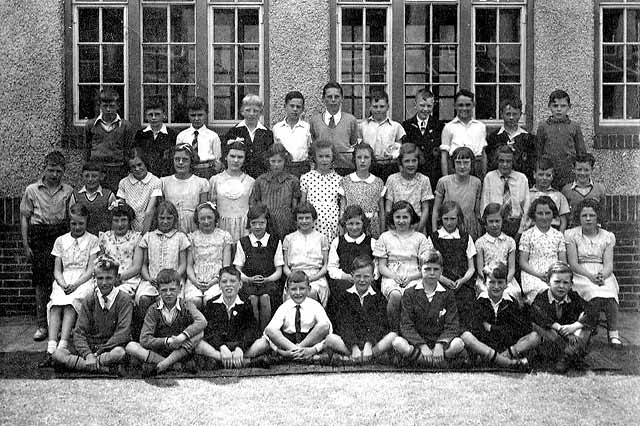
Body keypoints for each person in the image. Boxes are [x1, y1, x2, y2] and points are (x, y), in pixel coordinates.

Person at [20, 151, 74, 341]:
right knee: (41, 284)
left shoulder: (68, 190)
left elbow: (71, 218)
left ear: (63, 172)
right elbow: (25, 218)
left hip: (60, 234)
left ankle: (58, 327)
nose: (54, 175)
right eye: (51, 170)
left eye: (59, 171)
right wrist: (26, 245)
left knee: (60, 280)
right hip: (39, 235)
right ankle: (42, 326)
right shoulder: (32, 190)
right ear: (44, 167)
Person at [41, 204, 99, 368]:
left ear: (86, 222)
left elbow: (91, 269)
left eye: (81, 223)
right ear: (69, 223)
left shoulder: (92, 240)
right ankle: (51, 348)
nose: (77, 227)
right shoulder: (61, 240)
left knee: (70, 304)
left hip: (83, 280)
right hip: (64, 280)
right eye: (74, 223)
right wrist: (62, 283)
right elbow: (57, 270)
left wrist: (75, 284)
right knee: (55, 305)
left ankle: (62, 346)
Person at [52, 255, 133, 374]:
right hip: (91, 346)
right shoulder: (90, 299)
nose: (104, 283)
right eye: (100, 278)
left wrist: (98, 353)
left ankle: (82, 365)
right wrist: (88, 354)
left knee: (119, 353)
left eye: (109, 278)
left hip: (110, 347)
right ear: (94, 278)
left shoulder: (124, 299)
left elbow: (123, 333)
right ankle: (105, 369)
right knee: (57, 354)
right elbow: (79, 332)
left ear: (116, 278)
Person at [126, 268, 206, 376]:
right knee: (131, 346)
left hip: (180, 350)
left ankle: (163, 365)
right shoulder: (153, 309)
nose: (168, 294)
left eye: (172, 289)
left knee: (199, 333)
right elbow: (144, 339)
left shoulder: (186, 305)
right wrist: (167, 341)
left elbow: (202, 321)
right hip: (161, 350)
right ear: (158, 290)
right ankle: (174, 365)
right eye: (164, 290)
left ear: (180, 288)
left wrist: (180, 338)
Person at [392, 250, 465, 367]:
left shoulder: (448, 294)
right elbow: (406, 325)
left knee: (458, 344)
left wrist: (440, 344)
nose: (432, 273)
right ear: (420, 269)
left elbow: (452, 324)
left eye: (436, 269)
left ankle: (424, 360)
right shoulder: (410, 293)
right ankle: (436, 362)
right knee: (398, 343)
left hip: (440, 343)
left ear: (441, 270)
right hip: (418, 343)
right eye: (427, 269)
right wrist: (422, 346)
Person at [565, 199, 622, 347]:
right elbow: (573, 263)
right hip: (581, 273)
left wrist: (603, 274)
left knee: (610, 293)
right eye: (584, 215)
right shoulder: (571, 235)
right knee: (593, 293)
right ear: (579, 217)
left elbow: (609, 263)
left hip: (602, 272)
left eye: (592, 215)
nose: (588, 219)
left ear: (598, 217)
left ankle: (613, 334)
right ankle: (588, 329)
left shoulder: (607, 236)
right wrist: (590, 276)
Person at [460, 262, 536, 370]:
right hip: (484, 348)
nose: (496, 287)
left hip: (506, 348)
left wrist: (491, 328)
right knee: (466, 336)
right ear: (485, 283)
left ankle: (500, 359)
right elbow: (476, 329)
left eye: (500, 282)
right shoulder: (478, 303)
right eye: (492, 282)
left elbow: (516, 330)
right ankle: (508, 363)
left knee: (534, 336)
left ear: (506, 284)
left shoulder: (511, 303)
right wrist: (499, 329)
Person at [325, 256, 396, 364]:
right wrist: (353, 346)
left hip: (372, 344)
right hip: (350, 343)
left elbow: (379, 324)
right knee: (330, 339)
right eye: (358, 276)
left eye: (366, 277)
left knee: (393, 336)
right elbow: (344, 324)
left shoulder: (378, 297)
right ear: (352, 276)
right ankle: (359, 356)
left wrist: (369, 344)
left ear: (373, 277)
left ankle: (363, 357)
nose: (362, 280)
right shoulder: (344, 296)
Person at [530, 262, 597, 374]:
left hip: (571, 337)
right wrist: (558, 327)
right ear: (548, 282)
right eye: (557, 282)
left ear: (571, 284)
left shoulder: (573, 296)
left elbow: (592, 311)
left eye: (565, 283)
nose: (561, 286)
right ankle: (573, 355)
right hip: (552, 338)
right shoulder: (541, 297)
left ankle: (566, 356)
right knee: (537, 326)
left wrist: (574, 326)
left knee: (586, 326)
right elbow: (537, 314)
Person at [374, 201, 430, 331]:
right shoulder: (385, 237)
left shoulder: (420, 238)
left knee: (414, 295)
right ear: (392, 218)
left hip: (414, 274)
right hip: (391, 274)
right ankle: (394, 331)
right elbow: (382, 267)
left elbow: (426, 267)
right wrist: (394, 276)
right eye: (397, 217)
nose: (401, 221)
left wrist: (411, 277)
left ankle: (412, 332)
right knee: (395, 295)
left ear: (411, 218)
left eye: (405, 217)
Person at [196, 266, 265, 368]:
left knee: (264, 342)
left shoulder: (246, 303)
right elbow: (210, 330)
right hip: (220, 347)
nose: (228, 285)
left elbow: (251, 329)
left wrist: (240, 348)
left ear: (240, 284)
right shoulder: (212, 304)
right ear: (219, 285)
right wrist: (222, 347)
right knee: (197, 344)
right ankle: (245, 361)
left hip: (239, 346)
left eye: (233, 281)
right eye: (224, 282)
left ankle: (224, 361)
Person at [136, 201, 190, 332]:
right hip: (152, 281)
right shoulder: (148, 237)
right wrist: (148, 278)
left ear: (175, 219)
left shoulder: (180, 237)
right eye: (162, 218)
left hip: (173, 281)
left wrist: (174, 277)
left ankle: (174, 331)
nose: (165, 222)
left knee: (178, 299)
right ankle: (148, 331)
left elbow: (183, 264)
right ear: (156, 219)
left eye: (169, 218)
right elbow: (143, 264)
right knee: (144, 298)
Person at [260, 271, 332, 361]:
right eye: (293, 289)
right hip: (288, 343)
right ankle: (295, 351)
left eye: (302, 288)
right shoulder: (284, 307)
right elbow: (268, 333)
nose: (298, 293)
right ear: (287, 290)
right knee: (270, 329)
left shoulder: (315, 305)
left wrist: (313, 349)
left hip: (309, 344)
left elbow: (328, 330)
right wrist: (280, 351)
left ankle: (298, 350)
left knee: (324, 325)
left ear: (309, 289)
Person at [234, 203, 284, 331]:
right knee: (252, 298)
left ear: (267, 223)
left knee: (265, 298)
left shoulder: (275, 241)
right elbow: (237, 269)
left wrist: (267, 279)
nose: (257, 227)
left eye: (261, 223)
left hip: (269, 282)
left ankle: (265, 332)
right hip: (249, 282)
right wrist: (248, 279)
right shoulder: (243, 242)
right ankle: (255, 332)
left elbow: (279, 270)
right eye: (254, 223)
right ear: (249, 224)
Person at [428, 201, 476, 330]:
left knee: (466, 301)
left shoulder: (465, 237)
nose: (449, 223)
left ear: (459, 218)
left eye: (453, 219)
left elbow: (472, 267)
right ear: (441, 218)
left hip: (462, 282)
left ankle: (465, 335)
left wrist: (463, 280)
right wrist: (442, 279)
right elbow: (429, 266)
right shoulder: (434, 238)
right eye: (446, 219)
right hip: (440, 281)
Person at [84, 88, 135, 191]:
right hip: (96, 170)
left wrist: (124, 169)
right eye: (105, 106)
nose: (108, 110)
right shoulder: (91, 125)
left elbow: (128, 149)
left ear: (118, 106)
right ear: (100, 106)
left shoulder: (125, 126)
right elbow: (87, 148)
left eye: (111, 106)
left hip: (116, 170)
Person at [327, 205, 377, 309]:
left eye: (358, 223)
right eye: (350, 224)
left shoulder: (372, 243)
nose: (354, 227)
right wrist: (345, 276)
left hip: (366, 282)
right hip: (344, 282)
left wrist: (368, 278)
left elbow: (376, 266)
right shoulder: (337, 242)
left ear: (363, 223)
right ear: (345, 223)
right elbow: (332, 267)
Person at [185, 202, 233, 309]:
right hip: (195, 279)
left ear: (215, 218)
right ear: (197, 220)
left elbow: (226, 267)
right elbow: (189, 265)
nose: (206, 221)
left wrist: (213, 282)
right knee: (194, 300)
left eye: (209, 217)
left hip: (217, 279)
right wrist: (195, 281)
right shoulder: (192, 237)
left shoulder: (224, 237)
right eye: (202, 218)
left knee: (211, 300)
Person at [519, 196, 567, 304]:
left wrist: (555, 275)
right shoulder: (527, 235)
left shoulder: (558, 235)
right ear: (534, 215)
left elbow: (563, 262)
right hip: (532, 274)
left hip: (555, 275)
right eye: (540, 213)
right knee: (544, 293)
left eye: (548, 213)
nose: (544, 217)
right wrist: (539, 275)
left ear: (553, 215)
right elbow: (522, 262)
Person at [536, 89, 586, 189]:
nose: (559, 109)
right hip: (549, 174)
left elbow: (581, 152)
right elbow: (538, 151)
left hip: (568, 173)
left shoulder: (574, 126)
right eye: (555, 106)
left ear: (569, 107)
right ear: (549, 107)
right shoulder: (543, 126)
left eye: (563, 106)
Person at [282, 202, 330, 307]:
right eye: (301, 218)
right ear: (296, 220)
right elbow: (285, 266)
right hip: (294, 276)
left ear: (314, 219)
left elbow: (326, 265)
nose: (304, 221)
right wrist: (294, 277)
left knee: (311, 292)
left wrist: (312, 278)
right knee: (294, 293)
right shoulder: (289, 238)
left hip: (316, 277)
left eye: (307, 218)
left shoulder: (322, 238)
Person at [249, 143, 300, 241]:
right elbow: (254, 202)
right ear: (268, 161)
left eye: (279, 161)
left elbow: (295, 207)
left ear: (285, 161)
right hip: (266, 224)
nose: (276, 165)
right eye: (273, 161)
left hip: (285, 224)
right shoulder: (261, 180)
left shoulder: (292, 181)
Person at [309, 81, 360, 176]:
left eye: (336, 97)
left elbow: (354, 144)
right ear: (323, 99)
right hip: (322, 169)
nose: (333, 100)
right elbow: (313, 145)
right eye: (329, 97)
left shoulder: (351, 120)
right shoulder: (315, 121)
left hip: (346, 168)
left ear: (342, 99)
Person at [431, 146, 482, 239]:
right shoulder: (444, 182)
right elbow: (436, 210)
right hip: (448, 226)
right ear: (453, 164)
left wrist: (478, 233)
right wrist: (435, 232)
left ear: (472, 163)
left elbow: (477, 212)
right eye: (458, 163)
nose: (462, 166)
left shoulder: (476, 183)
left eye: (466, 163)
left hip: (469, 229)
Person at [209, 141, 255, 243]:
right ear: (226, 157)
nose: (236, 160)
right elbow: (212, 206)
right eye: (232, 156)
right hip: (221, 225)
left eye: (240, 157)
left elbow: (252, 207)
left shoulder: (250, 181)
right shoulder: (215, 180)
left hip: (243, 227)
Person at [475, 203, 521, 303]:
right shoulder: (480, 242)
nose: (494, 224)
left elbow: (512, 268)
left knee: (514, 291)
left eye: (497, 221)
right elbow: (479, 269)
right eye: (491, 221)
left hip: (505, 279)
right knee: (485, 292)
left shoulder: (510, 241)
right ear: (485, 222)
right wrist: (490, 280)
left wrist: (505, 282)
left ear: (502, 221)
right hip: (487, 278)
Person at [481, 145, 530, 239]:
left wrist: (521, 231)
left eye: (508, 161)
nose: (505, 164)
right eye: (501, 161)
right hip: (495, 224)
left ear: (513, 162)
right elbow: (485, 204)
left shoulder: (521, 178)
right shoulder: (490, 177)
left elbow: (526, 207)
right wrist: (488, 228)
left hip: (516, 224)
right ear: (497, 161)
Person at [338, 143, 386, 238]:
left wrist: (382, 233)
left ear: (371, 159)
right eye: (359, 157)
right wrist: (341, 232)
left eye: (366, 157)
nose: (362, 161)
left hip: (372, 228)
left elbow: (381, 211)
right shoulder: (346, 181)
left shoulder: (378, 182)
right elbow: (342, 209)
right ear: (354, 159)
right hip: (352, 227)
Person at [384, 143, 434, 234]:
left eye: (414, 160)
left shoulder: (424, 180)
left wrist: (419, 229)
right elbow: (388, 208)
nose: (411, 164)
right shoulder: (392, 179)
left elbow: (425, 209)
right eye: (407, 161)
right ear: (401, 162)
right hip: (396, 226)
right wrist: (394, 227)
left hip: (417, 227)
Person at [97, 202, 142, 298]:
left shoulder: (136, 238)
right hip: (106, 279)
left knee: (117, 295)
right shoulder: (104, 237)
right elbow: (99, 263)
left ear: (129, 221)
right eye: (116, 220)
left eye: (124, 220)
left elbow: (137, 267)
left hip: (128, 280)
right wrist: (108, 279)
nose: (120, 224)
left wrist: (118, 278)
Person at [161, 144, 210, 233]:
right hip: (171, 227)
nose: (180, 162)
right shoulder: (164, 182)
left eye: (185, 160)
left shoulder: (201, 183)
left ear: (191, 161)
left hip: (193, 228)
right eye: (177, 159)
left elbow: (203, 210)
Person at [485, 97, 536, 183]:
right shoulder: (493, 138)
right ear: (502, 114)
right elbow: (490, 163)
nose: (511, 118)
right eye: (508, 114)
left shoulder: (529, 139)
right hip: (498, 182)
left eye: (515, 114)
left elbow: (531, 165)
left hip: (521, 183)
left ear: (520, 114)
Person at [359, 90, 406, 181]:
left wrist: (392, 156)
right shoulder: (363, 126)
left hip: (390, 167)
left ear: (388, 107)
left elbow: (399, 147)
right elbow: (360, 147)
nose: (378, 110)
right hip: (369, 167)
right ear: (370, 107)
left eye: (382, 106)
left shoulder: (396, 127)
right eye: (375, 107)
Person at [440, 89, 487, 179]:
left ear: (473, 105)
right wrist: (445, 179)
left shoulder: (480, 127)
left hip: (476, 169)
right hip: (455, 168)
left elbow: (483, 154)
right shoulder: (448, 127)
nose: (464, 108)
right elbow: (444, 156)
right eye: (460, 105)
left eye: (468, 105)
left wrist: (484, 176)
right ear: (455, 106)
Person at [223, 94, 274, 178]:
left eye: (255, 111)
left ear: (261, 112)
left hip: (261, 177)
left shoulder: (267, 134)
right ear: (242, 111)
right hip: (239, 177)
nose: (251, 114)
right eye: (248, 110)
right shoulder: (234, 131)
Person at [300, 140, 342, 242]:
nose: (324, 160)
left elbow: (341, 205)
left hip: (333, 223)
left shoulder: (339, 179)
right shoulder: (306, 178)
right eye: (320, 156)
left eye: (327, 156)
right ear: (314, 157)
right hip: (313, 224)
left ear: (333, 157)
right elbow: (303, 203)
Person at [401, 88, 442, 191]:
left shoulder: (439, 126)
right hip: (413, 172)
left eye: (429, 106)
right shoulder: (406, 126)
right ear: (415, 104)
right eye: (422, 105)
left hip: (433, 174)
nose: (425, 109)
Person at [117, 147, 163, 233]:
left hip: (148, 227)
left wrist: (144, 235)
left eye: (139, 165)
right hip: (128, 229)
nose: (137, 169)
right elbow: (122, 210)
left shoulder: (155, 182)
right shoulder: (123, 183)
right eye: (133, 167)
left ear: (145, 163)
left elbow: (149, 211)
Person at [175, 96, 222, 179]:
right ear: (188, 115)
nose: (196, 118)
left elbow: (217, 159)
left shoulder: (213, 136)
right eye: (193, 115)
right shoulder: (182, 136)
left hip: (207, 171)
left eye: (200, 115)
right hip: (188, 171)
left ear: (206, 114)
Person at [520, 156, 570, 233]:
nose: (544, 178)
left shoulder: (559, 196)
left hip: (553, 232)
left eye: (548, 175)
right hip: (531, 232)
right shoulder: (527, 195)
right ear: (534, 174)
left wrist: (560, 235)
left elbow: (563, 221)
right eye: (541, 175)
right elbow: (522, 218)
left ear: (552, 176)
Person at [133, 95, 176, 177]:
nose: (153, 118)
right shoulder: (140, 134)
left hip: (166, 176)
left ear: (164, 115)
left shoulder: (172, 135)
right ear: (146, 116)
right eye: (150, 115)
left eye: (157, 114)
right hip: (145, 177)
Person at [272, 91, 312, 177]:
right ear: (285, 106)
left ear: (302, 109)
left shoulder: (307, 128)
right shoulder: (277, 128)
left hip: (302, 168)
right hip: (283, 168)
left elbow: (310, 149)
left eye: (298, 107)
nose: (295, 109)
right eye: (292, 106)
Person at [69, 161, 116, 235]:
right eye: (87, 176)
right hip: (82, 237)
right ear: (82, 176)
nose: (90, 179)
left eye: (94, 176)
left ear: (101, 176)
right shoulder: (76, 195)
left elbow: (114, 218)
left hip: (103, 237)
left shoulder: (109, 195)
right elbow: (71, 217)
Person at [561, 153, 607, 228]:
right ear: (573, 169)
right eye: (579, 170)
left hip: (594, 231)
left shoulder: (600, 189)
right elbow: (564, 216)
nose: (582, 173)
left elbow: (602, 214)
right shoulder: (566, 190)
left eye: (586, 170)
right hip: (573, 231)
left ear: (592, 170)